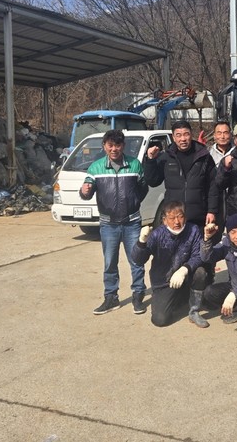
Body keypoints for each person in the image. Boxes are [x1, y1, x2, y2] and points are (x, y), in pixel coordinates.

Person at [79, 129, 148, 315]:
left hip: (132, 222)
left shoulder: (135, 165)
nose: (114, 149)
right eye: (110, 145)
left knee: (136, 261)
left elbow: (143, 188)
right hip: (108, 224)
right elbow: (87, 191)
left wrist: (133, 202)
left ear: (123, 146)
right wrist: (84, 192)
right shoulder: (95, 168)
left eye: (118, 145)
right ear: (104, 146)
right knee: (110, 263)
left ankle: (138, 296)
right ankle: (111, 298)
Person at [131, 201, 210, 328]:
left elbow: (198, 256)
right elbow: (138, 260)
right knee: (160, 320)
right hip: (164, 282)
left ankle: (194, 310)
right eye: (172, 218)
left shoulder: (193, 230)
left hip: (186, 277)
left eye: (180, 217)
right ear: (164, 220)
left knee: (200, 272)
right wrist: (142, 241)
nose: (176, 222)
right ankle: (178, 299)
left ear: (185, 217)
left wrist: (184, 270)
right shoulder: (157, 234)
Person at [144, 120, 218, 228]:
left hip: (198, 217)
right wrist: (150, 160)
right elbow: (153, 181)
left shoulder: (203, 157)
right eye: (178, 135)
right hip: (174, 217)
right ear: (173, 138)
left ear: (191, 135)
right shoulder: (166, 157)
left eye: (186, 134)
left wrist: (212, 211)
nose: (183, 139)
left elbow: (213, 186)